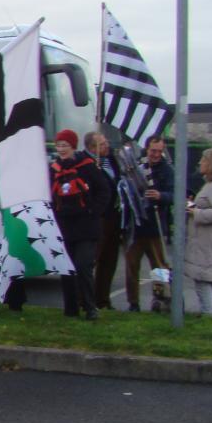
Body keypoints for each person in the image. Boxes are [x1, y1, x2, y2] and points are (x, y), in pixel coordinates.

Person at [49, 129, 109, 320]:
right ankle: (71, 309)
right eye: (58, 145)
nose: (61, 149)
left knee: (83, 266)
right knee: (66, 269)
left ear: (73, 146)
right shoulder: (54, 169)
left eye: (65, 145)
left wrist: (93, 211)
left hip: (86, 227)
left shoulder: (88, 166)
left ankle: (91, 307)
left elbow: (104, 191)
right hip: (65, 226)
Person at [124, 136, 174, 312]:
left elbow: (174, 193)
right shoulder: (136, 166)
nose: (156, 155)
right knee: (131, 266)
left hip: (155, 225)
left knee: (159, 267)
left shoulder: (167, 170)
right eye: (153, 150)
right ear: (147, 149)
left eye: (160, 151)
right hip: (136, 227)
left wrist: (161, 196)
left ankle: (159, 299)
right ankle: (133, 303)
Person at [184, 148, 212, 317]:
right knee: (211, 283)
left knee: (203, 284)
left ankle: (210, 320)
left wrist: (196, 213)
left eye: (203, 160)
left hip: (208, 244)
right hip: (209, 243)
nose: (199, 162)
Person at [92, 133, 123, 310]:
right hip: (99, 218)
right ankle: (85, 299)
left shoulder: (113, 161)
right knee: (93, 259)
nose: (107, 147)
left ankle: (103, 299)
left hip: (114, 216)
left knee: (109, 261)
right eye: (102, 144)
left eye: (106, 143)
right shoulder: (90, 164)